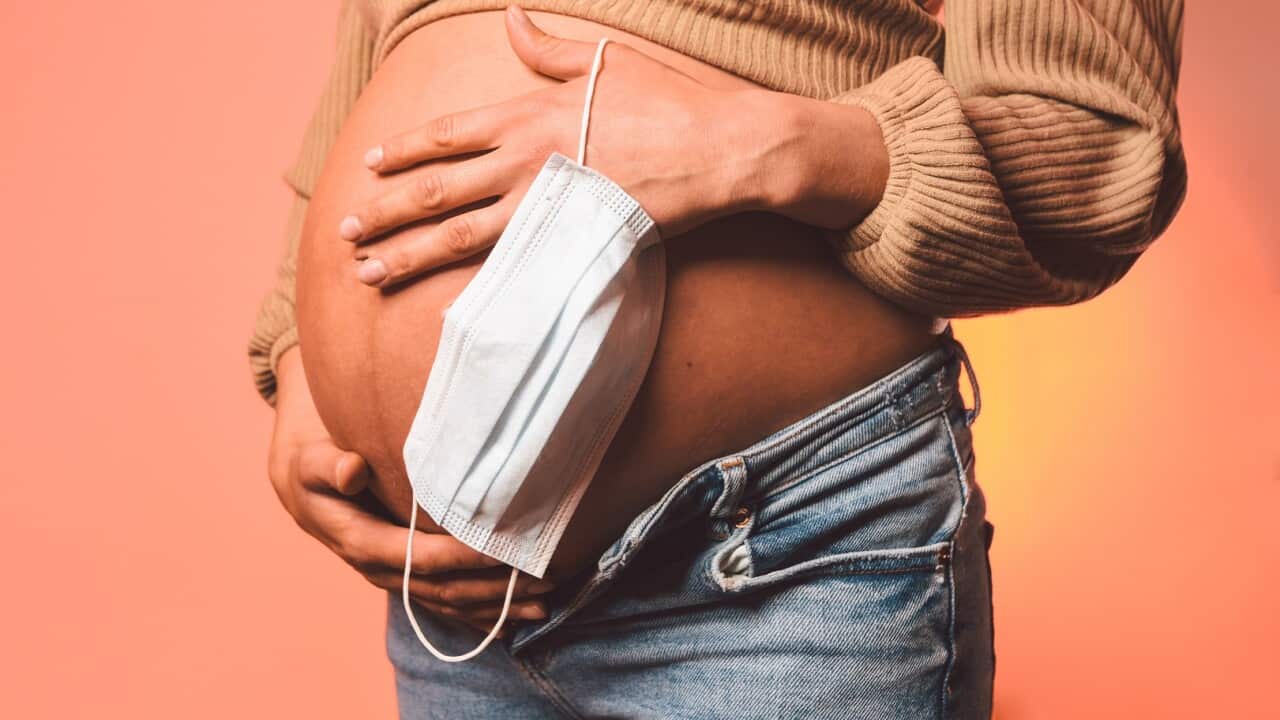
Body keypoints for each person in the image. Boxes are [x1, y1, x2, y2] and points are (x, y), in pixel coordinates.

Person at [251, 2, 1186, 717]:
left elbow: (1099, 149)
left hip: (779, 575)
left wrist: (755, 145)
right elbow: (373, 52)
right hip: (457, 606)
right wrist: (302, 356)